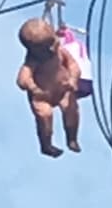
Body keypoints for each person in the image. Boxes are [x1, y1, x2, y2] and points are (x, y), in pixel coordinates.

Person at [15, 18, 81, 158]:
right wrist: (33, 88)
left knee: (71, 109)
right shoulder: (32, 61)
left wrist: (73, 80)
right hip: (42, 95)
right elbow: (22, 80)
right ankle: (46, 145)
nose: (51, 49)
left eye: (53, 42)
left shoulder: (60, 51)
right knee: (45, 116)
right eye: (45, 48)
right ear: (33, 50)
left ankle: (72, 138)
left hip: (62, 89)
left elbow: (73, 65)